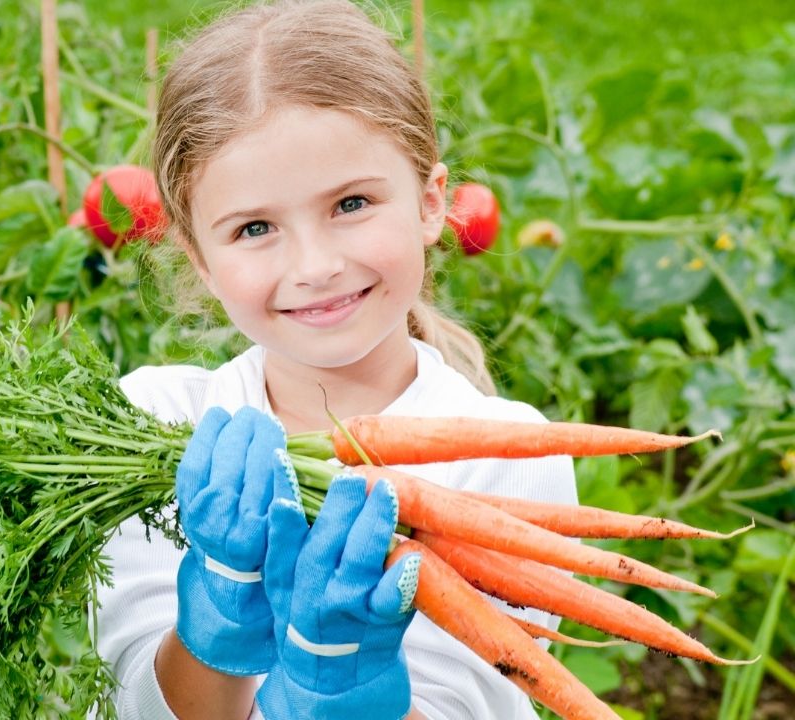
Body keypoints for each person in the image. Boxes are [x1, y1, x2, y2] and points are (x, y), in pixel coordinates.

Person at [95, 1, 578, 718]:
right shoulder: (156, 426)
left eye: (351, 204)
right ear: (198, 258)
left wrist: (347, 698)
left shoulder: (511, 459)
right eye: (255, 227)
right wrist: (214, 632)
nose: (315, 265)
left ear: (430, 202)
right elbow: (132, 705)